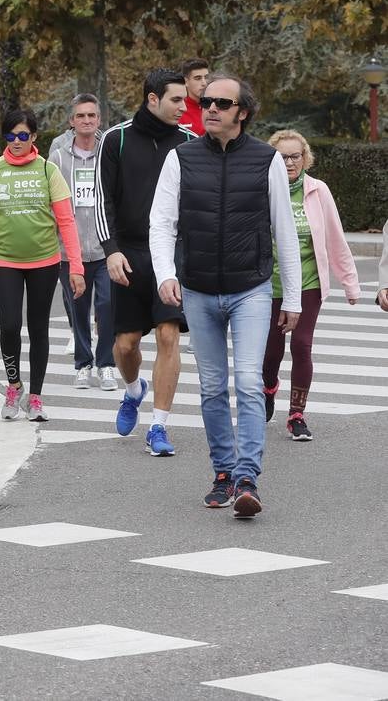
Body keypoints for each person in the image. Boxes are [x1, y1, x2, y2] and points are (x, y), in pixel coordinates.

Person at [151, 73, 301, 518]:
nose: (210, 108)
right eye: (207, 101)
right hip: (197, 289)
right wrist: (165, 273)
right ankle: (223, 472)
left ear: (242, 112)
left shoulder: (266, 159)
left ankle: (247, 476)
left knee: (249, 383)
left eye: (221, 102)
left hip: (250, 288)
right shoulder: (181, 158)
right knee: (214, 387)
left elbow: (284, 232)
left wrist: (291, 297)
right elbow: (161, 222)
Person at [96, 68, 193, 456]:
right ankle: (134, 390)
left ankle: (158, 426)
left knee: (169, 335)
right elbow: (102, 199)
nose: (184, 107)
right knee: (125, 344)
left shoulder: (189, 141)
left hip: (172, 254)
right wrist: (111, 250)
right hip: (129, 253)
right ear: (152, 99)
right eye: (176, 100)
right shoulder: (115, 138)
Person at [0, 109, 85, 423]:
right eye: (10, 136)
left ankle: (35, 397)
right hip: (5, 260)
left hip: (44, 262)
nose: (16, 141)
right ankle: (13, 385)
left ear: (34, 137)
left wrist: (76, 266)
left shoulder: (48, 171)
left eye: (23, 135)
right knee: (9, 326)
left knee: (38, 328)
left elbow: (66, 221)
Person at [259, 130, 360, 441]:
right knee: (271, 351)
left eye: (295, 156)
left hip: (308, 283)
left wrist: (350, 283)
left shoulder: (318, 191)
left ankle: (297, 414)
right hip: (270, 283)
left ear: (305, 158)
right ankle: (269, 388)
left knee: (302, 345)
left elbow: (334, 237)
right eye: (282, 156)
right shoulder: (261, 188)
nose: (289, 162)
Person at [48, 94, 115, 390]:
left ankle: (107, 364)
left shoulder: (109, 151)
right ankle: (83, 364)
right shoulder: (59, 157)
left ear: (99, 120)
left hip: (105, 247)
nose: (86, 121)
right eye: (81, 116)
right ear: (71, 122)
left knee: (109, 304)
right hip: (69, 250)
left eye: (91, 116)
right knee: (78, 308)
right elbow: (49, 199)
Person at [178, 57, 209, 136]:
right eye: (198, 78)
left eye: (206, 77)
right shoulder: (178, 111)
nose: (204, 83)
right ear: (186, 82)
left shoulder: (216, 107)